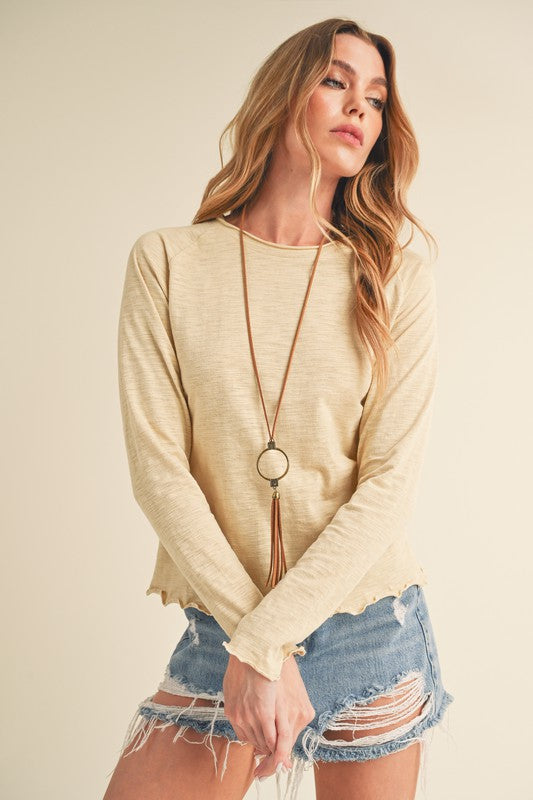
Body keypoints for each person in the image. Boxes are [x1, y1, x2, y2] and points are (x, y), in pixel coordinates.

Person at [103, 16, 454, 800]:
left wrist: (262, 643)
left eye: (375, 98)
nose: (358, 107)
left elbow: (387, 485)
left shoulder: (393, 280)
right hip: (222, 629)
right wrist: (252, 642)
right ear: (283, 94)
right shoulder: (168, 261)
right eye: (335, 81)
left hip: (366, 631)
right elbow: (159, 473)